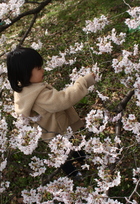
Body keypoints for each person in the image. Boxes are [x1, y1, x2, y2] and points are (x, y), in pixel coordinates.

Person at [7, 46, 96, 178]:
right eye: (38, 68)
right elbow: (63, 100)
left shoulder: (24, 91)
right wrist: (83, 82)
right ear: (26, 73)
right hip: (58, 130)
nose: (43, 70)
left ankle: (81, 162)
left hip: (49, 132)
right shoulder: (38, 95)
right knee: (66, 151)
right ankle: (75, 171)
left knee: (65, 150)